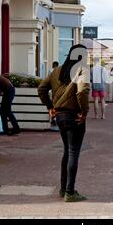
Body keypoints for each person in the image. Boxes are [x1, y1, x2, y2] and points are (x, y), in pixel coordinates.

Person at [38, 44, 90, 202]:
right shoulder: (82, 70)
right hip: (74, 115)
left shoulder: (57, 70)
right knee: (73, 152)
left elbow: (41, 88)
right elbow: (82, 91)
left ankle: (63, 189)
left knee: (67, 151)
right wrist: (84, 111)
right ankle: (70, 192)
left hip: (60, 116)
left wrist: (50, 106)